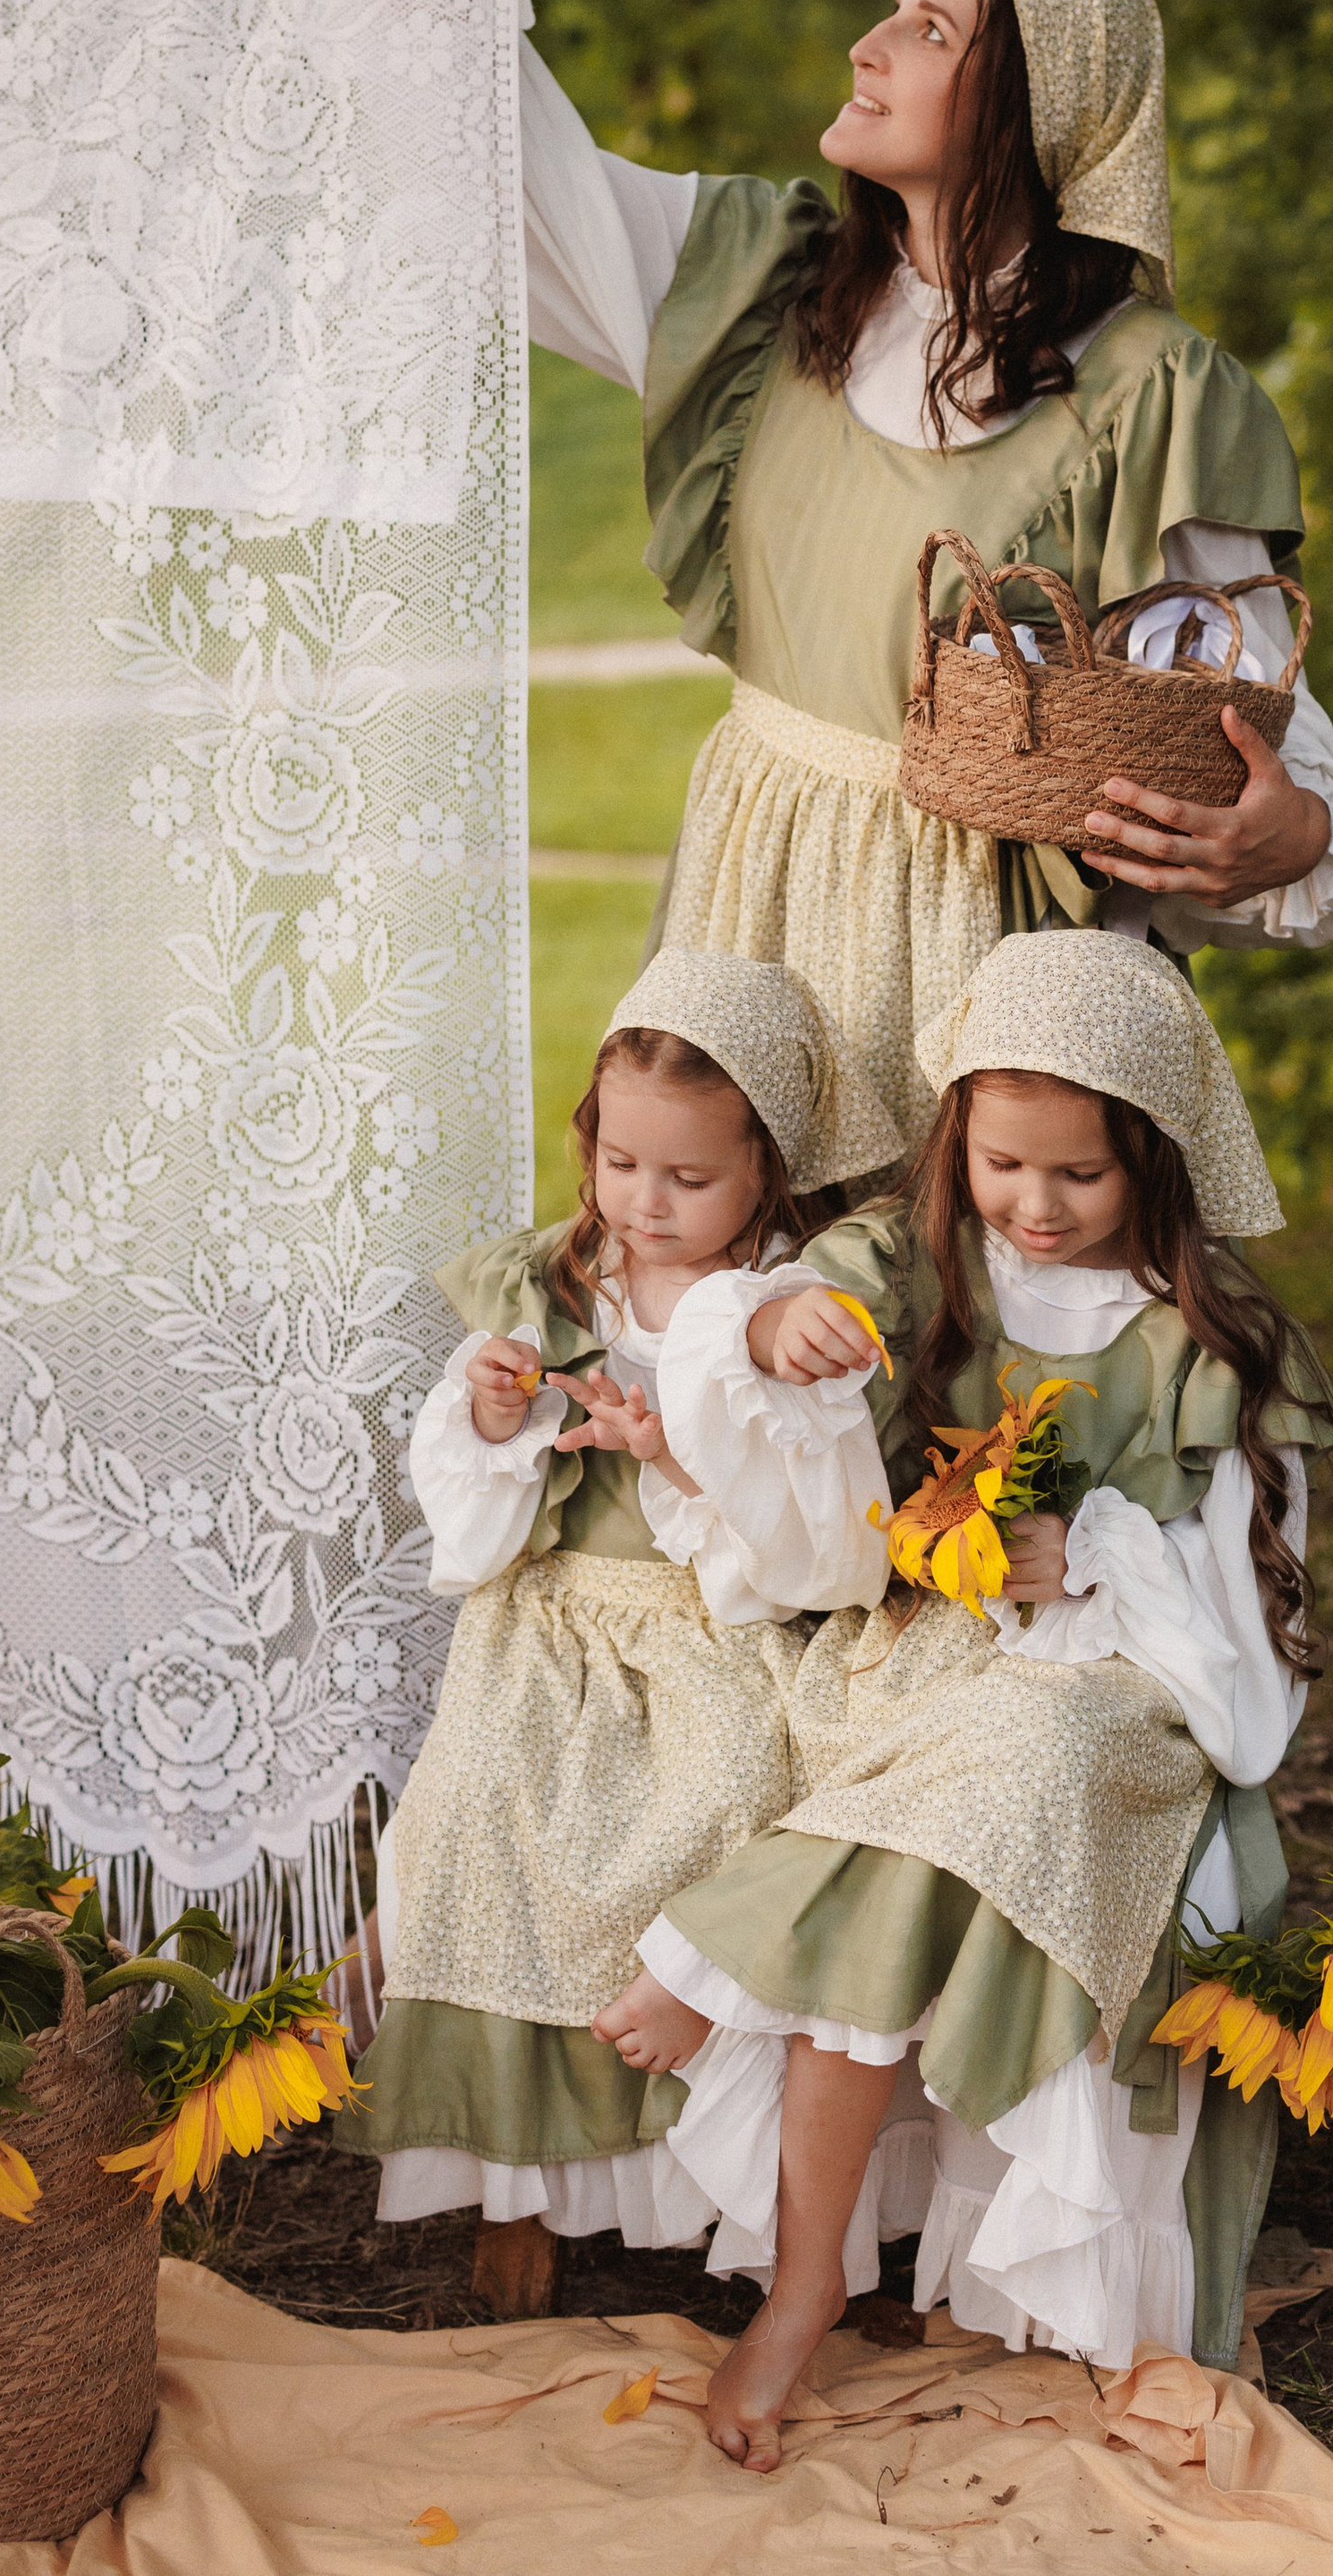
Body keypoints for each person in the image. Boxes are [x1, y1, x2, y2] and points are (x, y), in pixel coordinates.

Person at [267, 0, 1333, 1138]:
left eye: (931, 30)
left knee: (963, 1361)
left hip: (995, 996)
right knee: (751, 1351)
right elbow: (477, 153)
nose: (870, 40)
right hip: (756, 911)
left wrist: (1286, 843)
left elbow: (1281, 777)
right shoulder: (764, 289)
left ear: (1039, 112)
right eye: (893, 7)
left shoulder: (1153, 398)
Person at [595, 928, 1333, 2470]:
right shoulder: (915, 1261)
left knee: (1026, 1748)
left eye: (1079, 1174)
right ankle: (806, 2279)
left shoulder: (1212, 1347)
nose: (1035, 1204)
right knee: (957, 1765)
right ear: (959, 1139)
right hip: (928, 1650)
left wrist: (1103, 1551)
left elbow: (1243, 1667)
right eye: (1004, 1161)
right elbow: (727, 1341)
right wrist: (764, 1324)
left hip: (1127, 1695)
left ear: (1156, 1159)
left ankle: (729, 1961)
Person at [359, 947, 900, 2256]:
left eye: (689, 1176)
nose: (644, 1204)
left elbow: (801, 1522)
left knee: (716, 1794)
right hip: (556, 1618)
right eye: (619, 1163)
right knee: (490, 1793)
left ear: (764, 1168)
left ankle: (689, 2170)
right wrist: (498, 1413)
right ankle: (523, 2175)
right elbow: (473, 1512)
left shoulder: (784, 1296)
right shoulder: (553, 1283)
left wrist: (674, 1450)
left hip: (715, 1622)